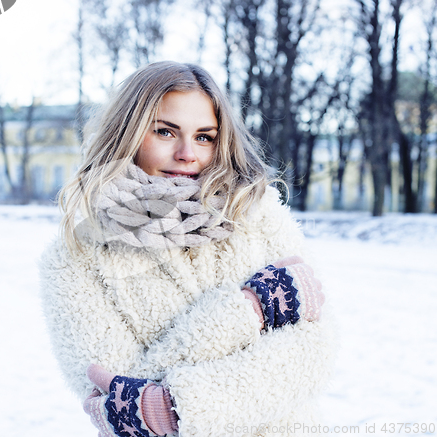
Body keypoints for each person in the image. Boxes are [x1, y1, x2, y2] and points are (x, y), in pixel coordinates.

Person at [39, 61, 334, 437]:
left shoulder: (255, 214)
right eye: (165, 131)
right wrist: (250, 310)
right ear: (127, 133)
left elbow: (318, 351)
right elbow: (121, 401)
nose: (187, 153)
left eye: (204, 137)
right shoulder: (73, 258)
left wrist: (177, 407)